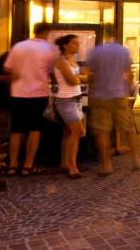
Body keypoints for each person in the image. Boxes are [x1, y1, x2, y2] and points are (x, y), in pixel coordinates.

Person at [4, 22, 57, 176]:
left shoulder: (19, 46)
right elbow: (52, 72)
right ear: (47, 32)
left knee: (16, 129)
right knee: (35, 129)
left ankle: (12, 165)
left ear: (34, 31)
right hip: (38, 94)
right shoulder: (49, 49)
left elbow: (8, 68)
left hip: (18, 93)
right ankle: (28, 165)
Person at [88, 41, 140, 175]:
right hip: (119, 94)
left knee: (102, 131)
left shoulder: (95, 52)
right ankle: (136, 159)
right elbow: (129, 74)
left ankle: (106, 165)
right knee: (129, 128)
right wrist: (127, 89)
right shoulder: (123, 51)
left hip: (100, 96)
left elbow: (89, 75)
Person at [53, 35, 86, 179]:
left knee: (68, 133)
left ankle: (65, 163)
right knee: (78, 131)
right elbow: (72, 81)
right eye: (74, 43)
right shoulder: (61, 61)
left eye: (78, 44)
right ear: (65, 45)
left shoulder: (72, 61)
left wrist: (81, 78)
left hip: (76, 98)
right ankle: (73, 167)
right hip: (66, 100)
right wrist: (82, 78)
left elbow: (81, 78)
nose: (77, 46)